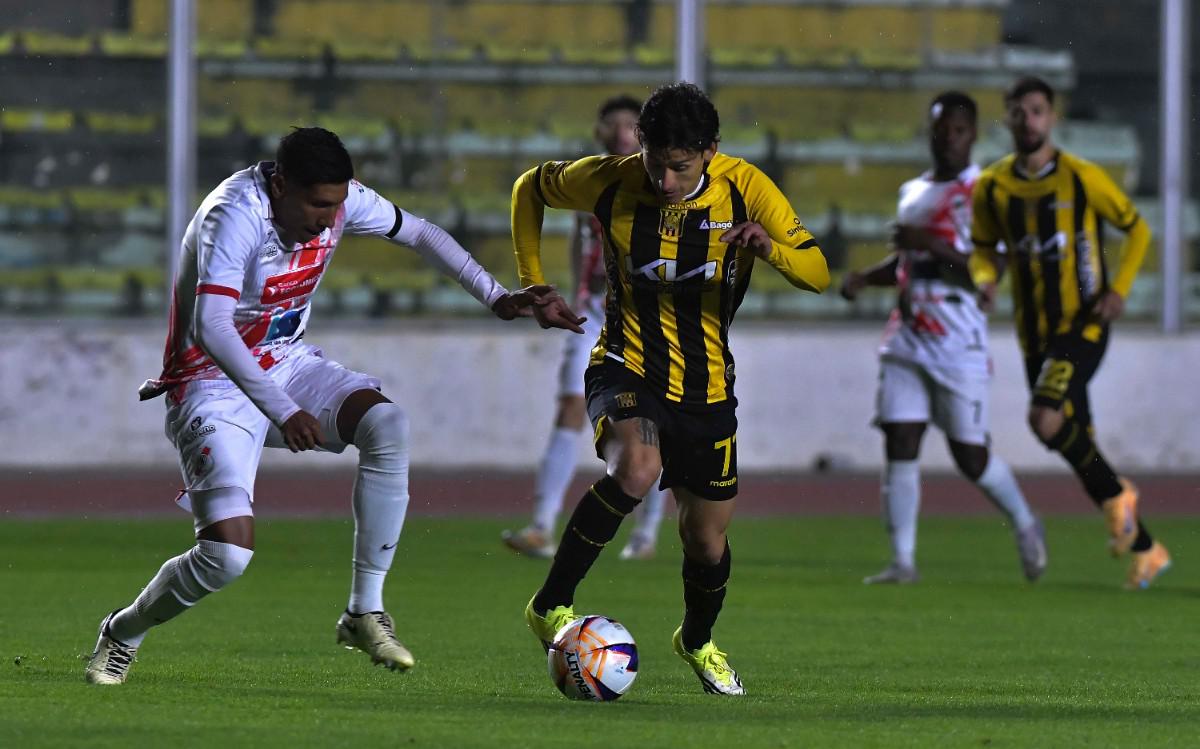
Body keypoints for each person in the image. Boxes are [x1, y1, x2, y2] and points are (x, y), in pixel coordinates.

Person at [84, 127, 581, 685]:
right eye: (318, 204)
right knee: (226, 559)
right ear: (281, 185)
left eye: (337, 203)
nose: (329, 219)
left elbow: (420, 233)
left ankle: (363, 610)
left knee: (387, 424)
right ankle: (122, 631)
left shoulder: (340, 202)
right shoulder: (233, 215)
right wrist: (282, 409)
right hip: (209, 381)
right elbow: (212, 327)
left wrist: (497, 296)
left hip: (287, 362)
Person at [510, 82, 829, 695]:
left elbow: (817, 269)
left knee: (706, 541)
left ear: (710, 151)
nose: (663, 179)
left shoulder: (746, 188)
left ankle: (698, 640)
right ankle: (550, 604)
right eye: (654, 162)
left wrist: (773, 248)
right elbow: (530, 188)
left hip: (707, 386)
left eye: (678, 167)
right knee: (635, 466)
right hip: (625, 362)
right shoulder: (611, 178)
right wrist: (533, 282)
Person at [970, 76, 1171, 589]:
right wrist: (986, 280)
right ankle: (1147, 548)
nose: (1028, 120)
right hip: (1033, 335)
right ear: (1009, 117)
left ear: (1051, 117)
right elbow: (983, 249)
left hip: (1083, 324)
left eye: (1037, 111)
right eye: (1019, 112)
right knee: (1077, 442)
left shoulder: (1082, 178)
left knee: (1044, 418)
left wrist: (1120, 287)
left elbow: (1138, 228)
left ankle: (1120, 499)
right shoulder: (993, 186)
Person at [841, 92, 1047, 585]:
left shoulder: (986, 191)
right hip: (908, 336)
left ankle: (1024, 521)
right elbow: (910, 264)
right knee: (900, 437)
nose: (949, 138)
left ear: (974, 134)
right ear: (931, 132)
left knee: (970, 456)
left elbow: (988, 268)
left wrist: (928, 243)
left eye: (959, 129)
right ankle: (903, 561)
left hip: (959, 340)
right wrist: (866, 279)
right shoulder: (913, 191)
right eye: (941, 128)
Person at [501, 95, 667, 562]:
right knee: (570, 408)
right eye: (611, 124)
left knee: (651, 422)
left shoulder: (660, 181)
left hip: (648, 318)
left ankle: (647, 531)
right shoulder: (588, 179)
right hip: (595, 310)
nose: (619, 132)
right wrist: (576, 293)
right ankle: (540, 527)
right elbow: (581, 238)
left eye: (629, 125)